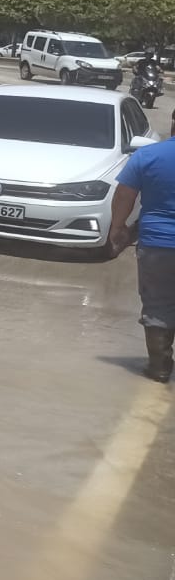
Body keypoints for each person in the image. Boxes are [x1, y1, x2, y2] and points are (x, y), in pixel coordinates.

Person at [110, 111, 175, 382]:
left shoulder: (148, 156)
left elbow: (124, 194)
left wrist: (118, 228)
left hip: (157, 245)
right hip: (156, 242)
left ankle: (159, 368)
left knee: (158, 305)